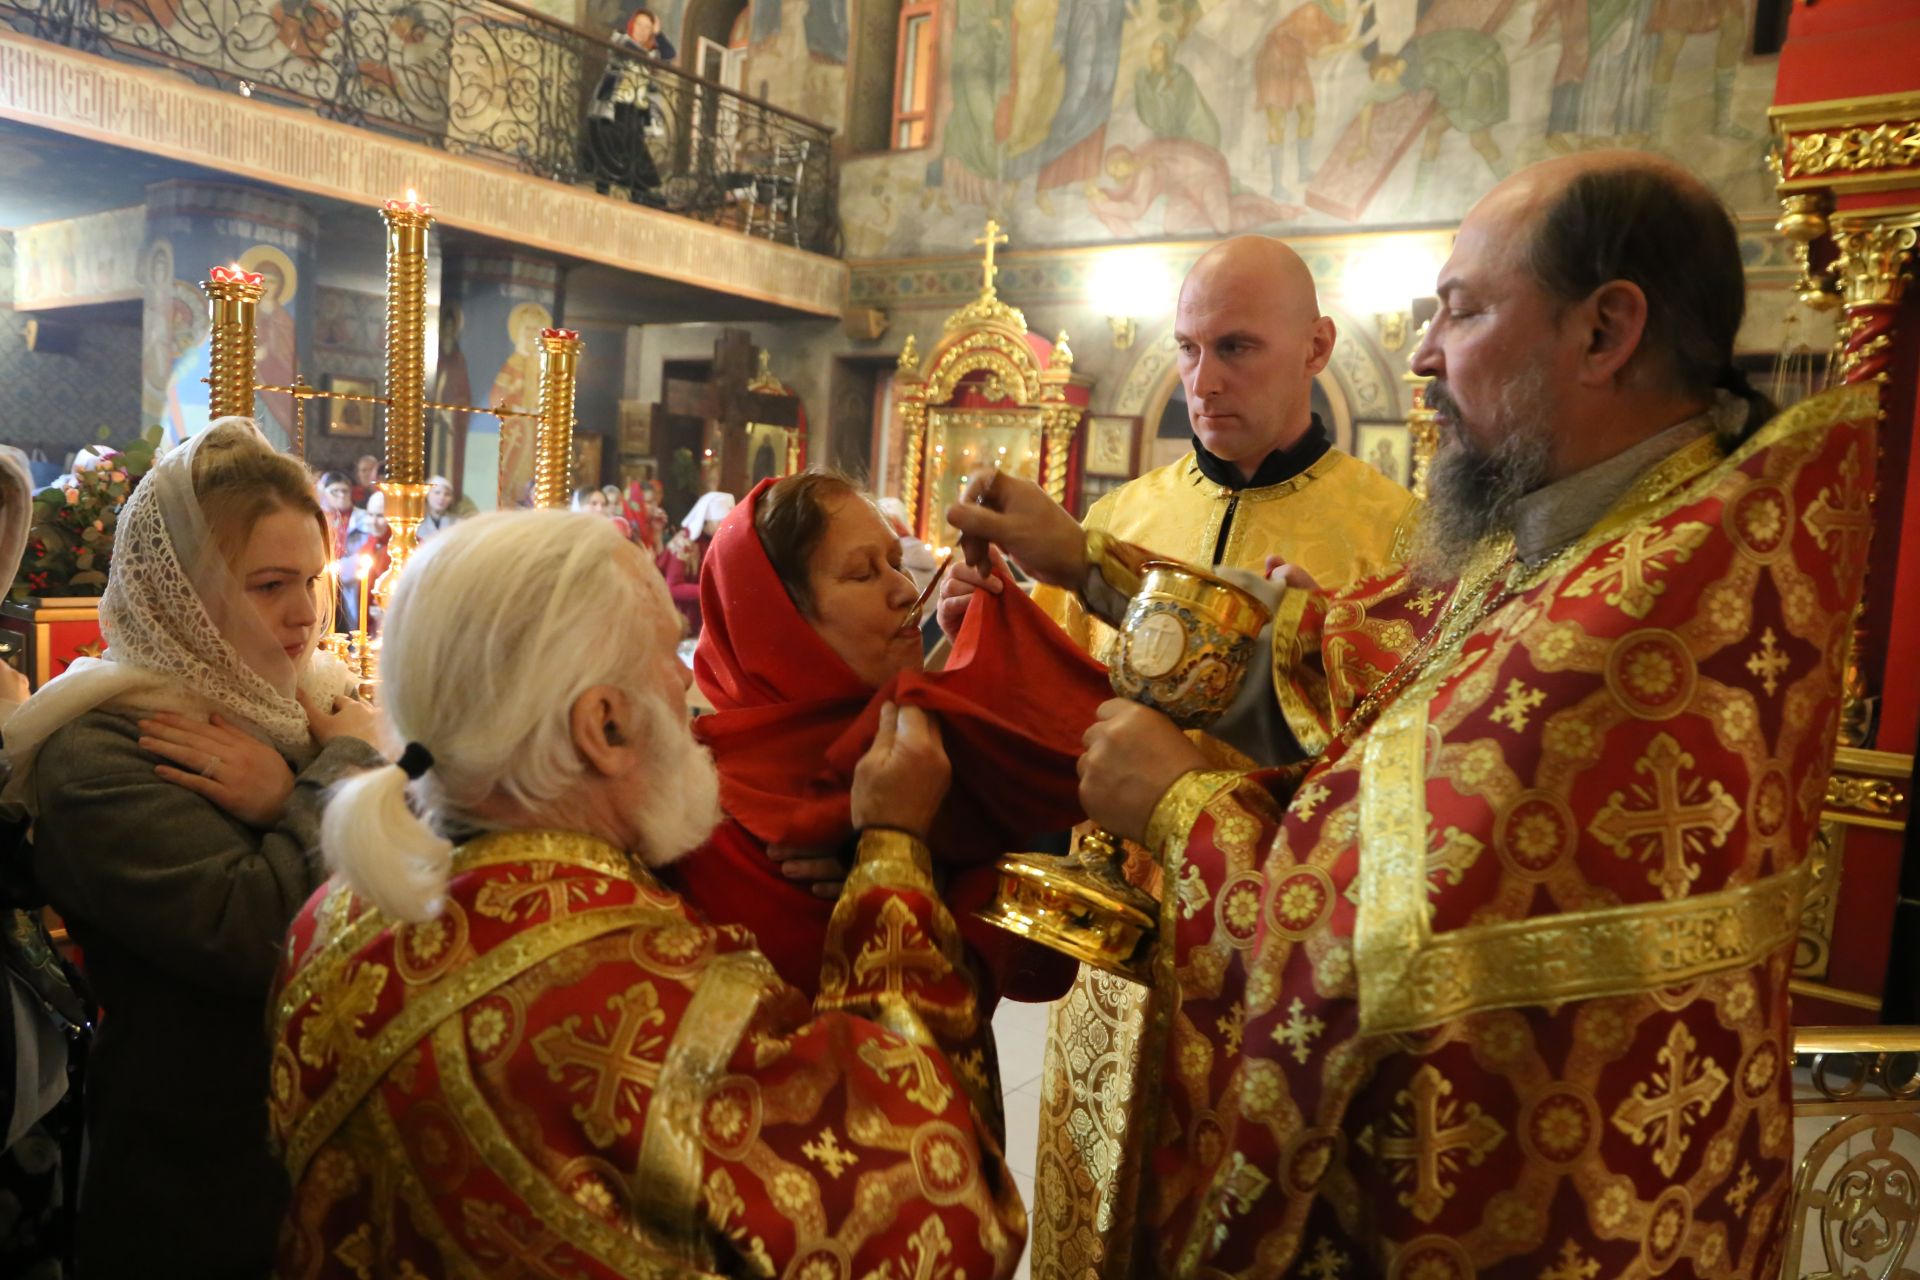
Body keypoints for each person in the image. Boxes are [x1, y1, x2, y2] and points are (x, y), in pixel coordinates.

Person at [951, 152, 1868, 1276]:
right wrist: (1087, 559)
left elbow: (1366, 947)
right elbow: (1351, 652)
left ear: (1604, 332)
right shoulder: (1591, 534)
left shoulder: (1639, 616)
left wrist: (1180, 805)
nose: (1426, 352)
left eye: (1464, 309)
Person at [269, 509, 1027, 1277]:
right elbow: (943, 1207)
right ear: (604, 727)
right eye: (668, 654)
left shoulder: (331, 917)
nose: (689, 685)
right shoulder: (655, 1006)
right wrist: (893, 862)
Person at [940, 234, 1415, 1280]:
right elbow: (1050, 705)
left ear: (1317, 346)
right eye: (1189, 349)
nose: (1204, 381)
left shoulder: (1396, 538)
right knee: (1096, 1211)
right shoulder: (1116, 519)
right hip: (1114, 947)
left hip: (1274, 940)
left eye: (1237, 347)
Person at [2, 418, 382, 1277]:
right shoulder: (98, 750)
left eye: (313, 582)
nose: (303, 614)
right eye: (268, 584)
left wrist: (294, 791)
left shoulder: (306, 703)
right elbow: (252, 932)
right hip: (204, 1181)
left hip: (333, 1151)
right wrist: (344, 772)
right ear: (183, 590)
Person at [675, 471, 1106, 1017]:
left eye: (898, 564)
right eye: (862, 573)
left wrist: (916, 862)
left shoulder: (926, 749)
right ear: (777, 622)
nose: (906, 591)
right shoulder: (694, 816)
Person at [587, 7, 677, 206]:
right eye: (639, 25)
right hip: (613, 105)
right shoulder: (619, 40)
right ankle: (619, 190)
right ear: (632, 25)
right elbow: (630, 49)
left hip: (636, 109)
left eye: (648, 27)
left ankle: (639, 192)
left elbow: (670, 55)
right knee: (610, 147)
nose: (643, 30)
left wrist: (659, 34)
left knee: (633, 151)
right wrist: (649, 50)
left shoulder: (651, 54)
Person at [412, 474, 459, 546]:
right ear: (427, 495)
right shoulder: (415, 522)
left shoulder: (458, 522)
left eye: (447, 494)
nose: (442, 498)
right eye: (437, 493)